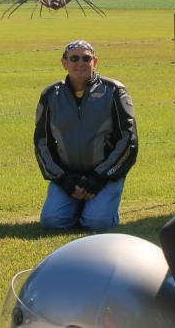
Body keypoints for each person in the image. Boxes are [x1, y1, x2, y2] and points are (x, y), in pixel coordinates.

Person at [34, 40, 138, 230]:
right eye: (74, 58)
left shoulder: (115, 91)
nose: (80, 63)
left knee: (97, 223)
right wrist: (63, 179)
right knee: (52, 222)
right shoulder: (50, 96)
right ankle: (80, 203)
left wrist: (100, 177)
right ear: (64, 62)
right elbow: (42, 143)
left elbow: (128, 141)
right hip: (68, 175)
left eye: (86, 58)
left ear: (95, 62)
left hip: (104, 175)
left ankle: (95, 208)